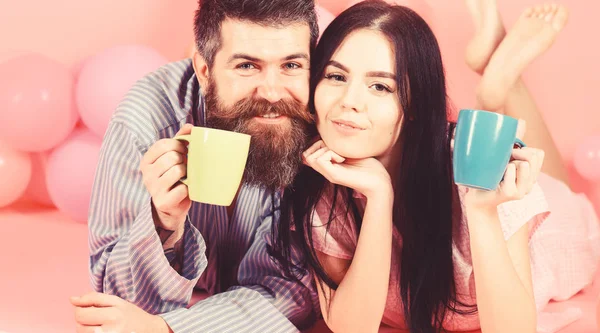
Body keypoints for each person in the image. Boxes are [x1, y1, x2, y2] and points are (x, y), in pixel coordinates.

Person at [271, 0, 600, 332]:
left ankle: (500, 89)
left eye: (381, 86)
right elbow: (352, 328)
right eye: (336, 76)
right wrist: (379, 199)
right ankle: (496, 89)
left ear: (415, 103)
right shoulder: (323, 179)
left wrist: (483, 212)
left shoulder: (478, 173)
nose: (349, 101)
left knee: (556, 190)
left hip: (540, 227)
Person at [70, 0, 321, 332]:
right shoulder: (147, 118)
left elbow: (293, 293)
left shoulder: (323, 119)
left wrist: (168, 329)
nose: (273, 92)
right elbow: (116, 304)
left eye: (291, 65)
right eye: (247, 66)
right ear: (204, 70)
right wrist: (164, 222)